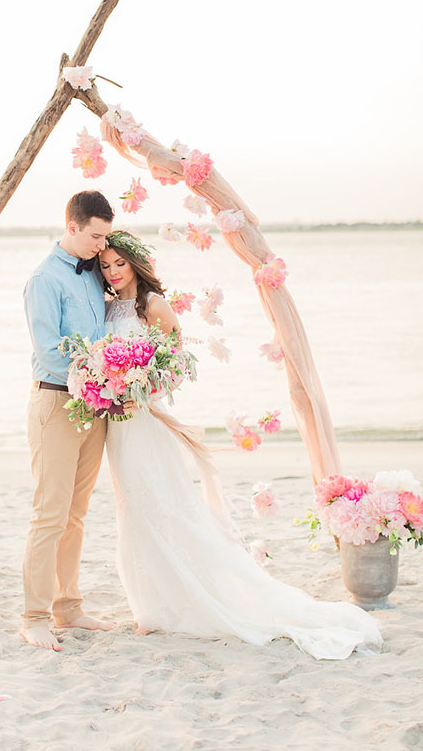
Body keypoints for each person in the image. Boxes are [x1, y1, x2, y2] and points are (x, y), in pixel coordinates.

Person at [99, 230, 382, 660]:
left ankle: (178, 604)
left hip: (145, 421)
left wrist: (141, 387)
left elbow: (175, 369)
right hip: (118, 425)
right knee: (132, 510)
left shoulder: (154, 306)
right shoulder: (107, 307)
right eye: (105, 266)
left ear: (135, 263)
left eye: (119, 264)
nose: (113, 272)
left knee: (161, 506)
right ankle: (152, 608)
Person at [20, 190, 116, 651]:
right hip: (56, 404)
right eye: (95, 236)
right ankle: (34, 616)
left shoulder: (96, 273)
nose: (101, 245)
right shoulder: (44, 279)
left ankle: (69, 608)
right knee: (49, 515)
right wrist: (104, 372)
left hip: (96, 408)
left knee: (76, 516)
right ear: (72, 226)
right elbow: (49, 350)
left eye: (106, 237)